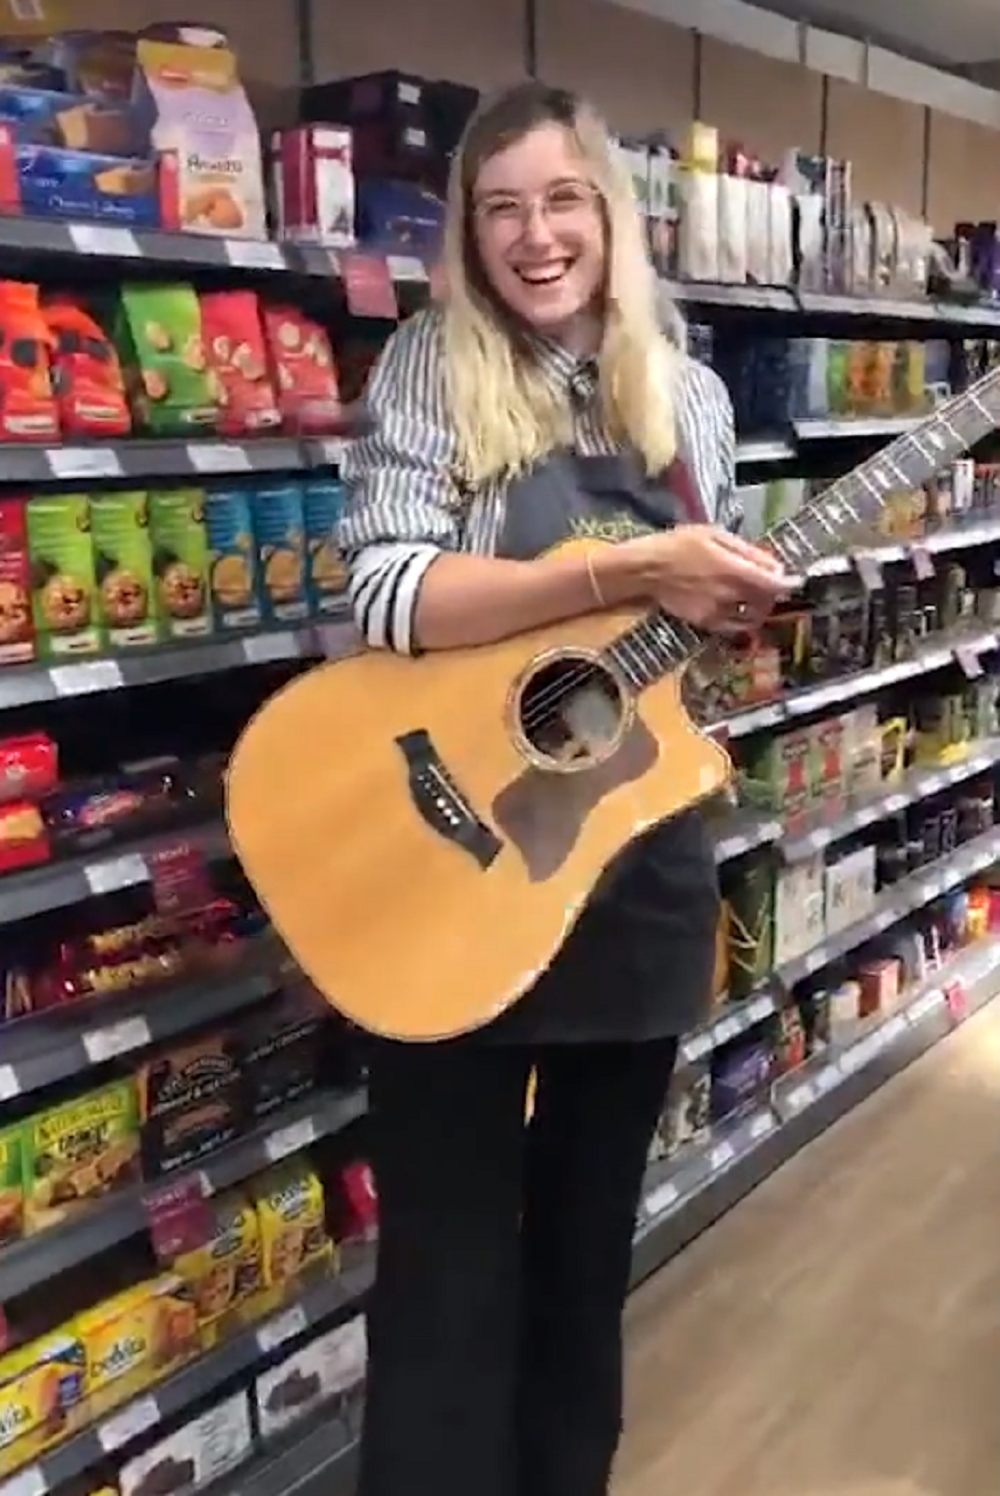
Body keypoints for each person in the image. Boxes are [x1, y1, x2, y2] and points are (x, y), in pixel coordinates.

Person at [337, 80, 793, 1496]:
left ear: (613, 215)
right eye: (503, 209)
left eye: (564, 202)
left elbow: (683, 658)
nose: (537, 238)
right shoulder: (432, 365)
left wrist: (728, 625)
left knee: (587, 1262)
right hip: (454, 865)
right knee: (446, 1275)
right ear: (470, 233)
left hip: (631, 874)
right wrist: (621, 570)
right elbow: (385, 591)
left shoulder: (692, 395)